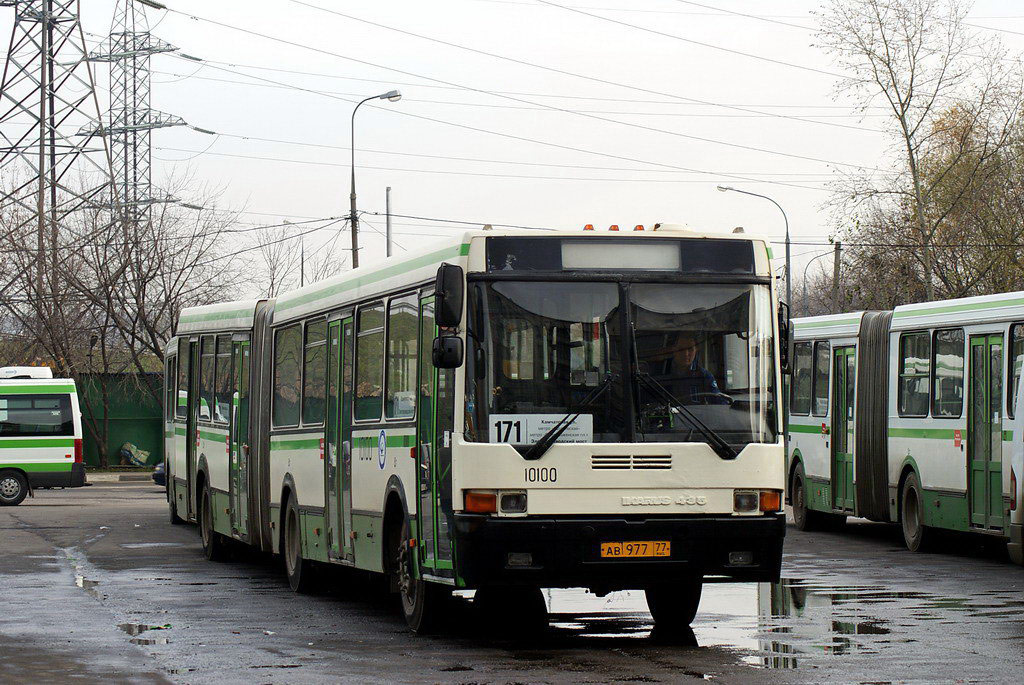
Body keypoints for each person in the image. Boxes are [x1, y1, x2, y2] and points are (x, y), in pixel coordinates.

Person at [656, 334, 727, 404]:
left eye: (690, 349)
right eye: (681, 349)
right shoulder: (662, 373)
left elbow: (719, 402)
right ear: (673, 350)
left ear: (696, 350)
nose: (686, 354)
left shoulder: (704, 376)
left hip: (695, 415)